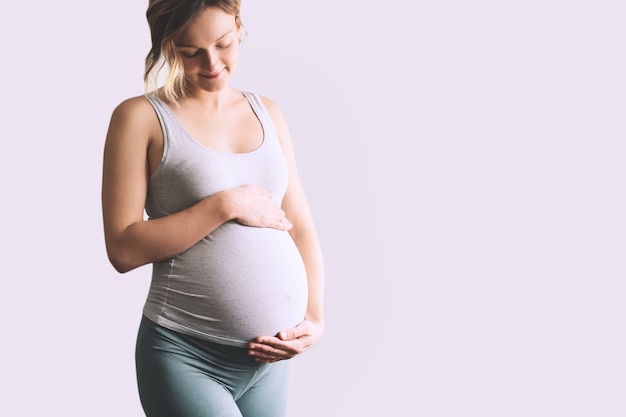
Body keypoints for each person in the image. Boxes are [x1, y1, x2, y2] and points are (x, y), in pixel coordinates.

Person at [101, 1, 325, 415]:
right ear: (167, 46)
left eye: (223, 44)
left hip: (270, 361)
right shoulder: (140, 118)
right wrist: (223, 205)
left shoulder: (268, 112)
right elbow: (123, 248)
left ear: (239, 28)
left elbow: (301, 228)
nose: (212, 64)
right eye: (190, 52)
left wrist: (313, 318)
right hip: (185, 354)